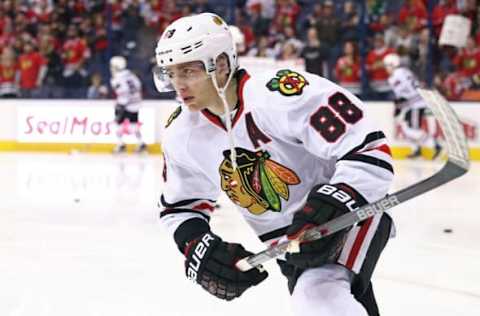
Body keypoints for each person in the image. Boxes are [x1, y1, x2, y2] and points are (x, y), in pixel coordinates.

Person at [155, 13, 394, 316]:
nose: (178, 84)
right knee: (323, 296)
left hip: (348, 215)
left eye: (188, 71)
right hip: (292, 246)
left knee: (318, 296)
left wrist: (335, 201)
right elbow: (179, 208)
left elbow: (369, 148)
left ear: (223, 65)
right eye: (171, 73)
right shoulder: (181, 134)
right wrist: (197, 245)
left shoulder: (280, 94)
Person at [383, 53, 442, 159]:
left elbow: (405, 94)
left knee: (411, 129)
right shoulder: (404, 71)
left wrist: (398, 105)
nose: (386, 69)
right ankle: (417, 149)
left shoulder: (396, 75)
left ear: (392, 64)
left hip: (415, 103)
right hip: (413, 103)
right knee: (406, 128)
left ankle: (435, 145)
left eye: (387, 65)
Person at [109, 55, 146, 153]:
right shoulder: (131, 75)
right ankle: (141, 143)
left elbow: (122, 91)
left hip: (125, 104)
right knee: (134, 124)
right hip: (135, 103)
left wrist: (121, 104)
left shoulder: (116, 78)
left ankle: (120, 144)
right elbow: (138, 85)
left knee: (117, 124)